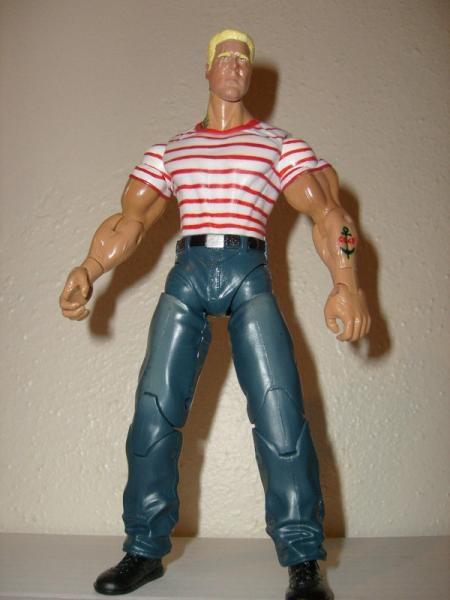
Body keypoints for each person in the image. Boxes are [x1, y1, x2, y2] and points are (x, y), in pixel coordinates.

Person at [60, 29, 370, 600]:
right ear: (206, 70)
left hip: (249, 270)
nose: (234, 66)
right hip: (189, 272)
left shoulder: (278, 145)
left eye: (243, 59)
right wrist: (89, 268)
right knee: (153, 410)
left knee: (280, 410)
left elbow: (329, 212)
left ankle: (303, 557)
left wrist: (346, 283)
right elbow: (131, 219)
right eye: (224, 58)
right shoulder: (172, 150)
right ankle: (143, 548)